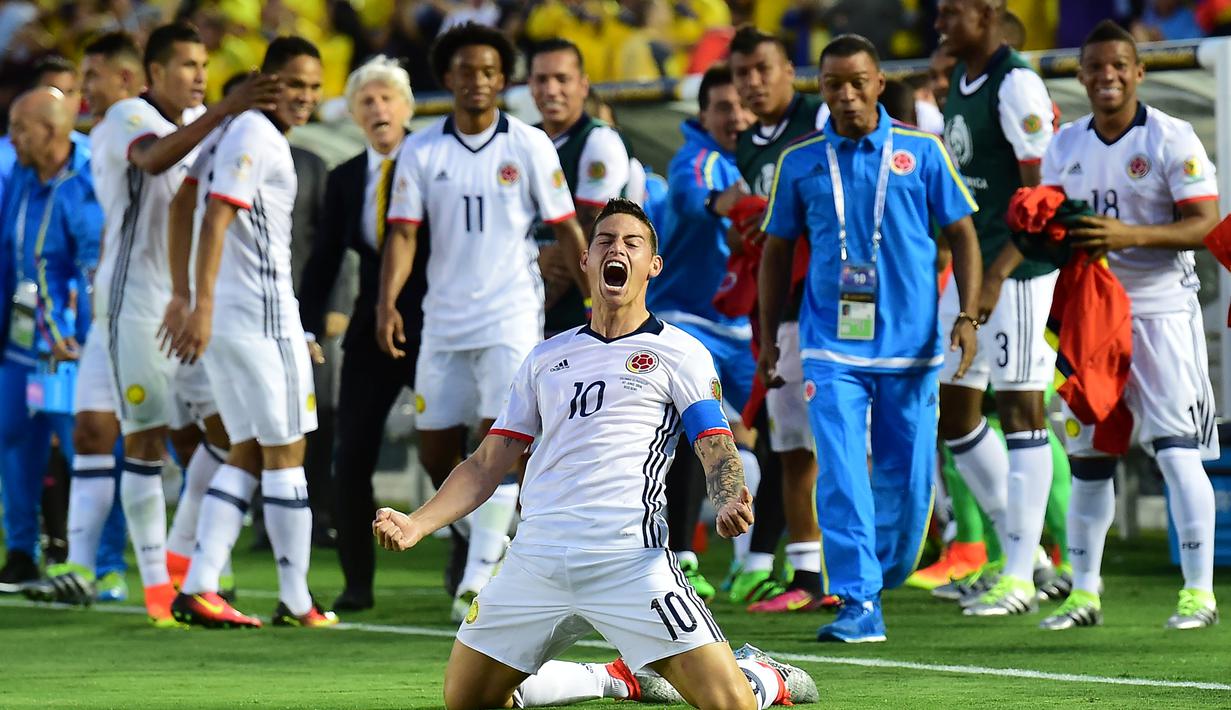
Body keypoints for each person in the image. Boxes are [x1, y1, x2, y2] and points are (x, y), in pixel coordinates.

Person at [374, 197, 784, 710]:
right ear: (585, 260)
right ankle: (614, 677)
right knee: (467, 701)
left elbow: (715, 446)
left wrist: (726, 499)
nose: (618, 249)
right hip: (535, 561)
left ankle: (762, 678)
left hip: (630, 562)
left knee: (731, 705)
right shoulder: (546, 356)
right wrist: (417, 524)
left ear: (653, 266)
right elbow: (486, 464)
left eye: (632, 243)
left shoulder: (680, 352)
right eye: (605, 241)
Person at [758, 34, 982, 643]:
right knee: (840, 472)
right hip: (830, 347)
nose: (847, 94)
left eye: (859, 82)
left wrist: (968, 315)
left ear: (880, 84)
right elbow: (776, 250)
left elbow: (963, 233)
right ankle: (859, 599)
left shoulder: (922, 151)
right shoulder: (799, 161)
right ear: (822, 89)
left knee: (908, 485)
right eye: (834, 84)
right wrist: (768, 332)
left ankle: (883, 572)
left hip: (911, 348)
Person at [375, 23, 589, 622]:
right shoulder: (421, 150)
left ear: (503, 79)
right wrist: (386, 301)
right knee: (435, 443)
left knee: (505, 441)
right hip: (442, 320)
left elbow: (567, 228)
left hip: (509, 315)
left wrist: (598, 298)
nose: (479, 81)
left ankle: (476, 579)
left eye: (490, 72)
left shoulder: (528, 144)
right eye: (467, 71)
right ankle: (474, 534)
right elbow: (403, 234)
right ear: (447, 77)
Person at [85, 23, 276, 625]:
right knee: (144, 438)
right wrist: (228, 108)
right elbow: (153, 159)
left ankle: (178, 556)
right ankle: (155, 592)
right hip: (136, 300)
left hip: (191, 302)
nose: (199, 74)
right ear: (153, 74)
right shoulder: (127, 117)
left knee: (230, 432)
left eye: (204, 64)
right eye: (187, 65)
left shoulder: (208, 129)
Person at [1037, 21, 1220, 631]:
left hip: (1162, 310)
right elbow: (1051, 226)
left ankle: (1199, 595)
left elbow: (1205, 224)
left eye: (1119, 65)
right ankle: (1084, 594)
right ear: (1081, 74)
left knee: (1175, 451)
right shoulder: (1064, 145)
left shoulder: (1173, 136)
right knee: (1089, 457)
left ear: (1139, 72)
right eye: (1095, 67)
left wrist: (1127, 236)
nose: (1107, 76)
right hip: (1092, 317)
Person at [167, 36, 335, 629]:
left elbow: (182, 203)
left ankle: (199, 585)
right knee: (288, 451)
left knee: (246, 448)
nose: (306, 97)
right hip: (260, 318)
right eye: (294, 84)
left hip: (233, 321)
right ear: (266, 81)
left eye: (314, 87)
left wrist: (188, 296)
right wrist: (200, 304)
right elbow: (215, 215)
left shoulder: (224, 131)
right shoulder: (257, 136)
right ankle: (296, 600)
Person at [934, 0, 1060, 616]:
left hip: (1020, 270)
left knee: (1019, 406)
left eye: (952, 12)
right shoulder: (960, 82)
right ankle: (1028, 554)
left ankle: (1016, 576)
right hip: (972, 269)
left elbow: (1046, 195)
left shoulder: (1017, 83)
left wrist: (999, 274)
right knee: (953, 410)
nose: (940, 23)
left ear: (987, 13)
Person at [298, 54, 427, 612]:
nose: (378, 108)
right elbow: (325, 259)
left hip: (436, 325)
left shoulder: (437, 159)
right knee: (351, 455)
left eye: (387, 98)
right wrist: (305, 324)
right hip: (368, 331)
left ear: (407, 107)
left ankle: (469, 566)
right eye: (367, 101)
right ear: (352, 113)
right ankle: (356, 581)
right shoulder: (347, 176)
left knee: (454, 450)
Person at [647, 62, 767, 603]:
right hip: (688, 321)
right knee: (694, 434)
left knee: (782, 438)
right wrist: (739, 206)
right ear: (703, 114)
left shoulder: (765, 155)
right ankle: (680, 556)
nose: (736, 116)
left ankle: (756, 563)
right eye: (724, 107)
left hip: (745, 326)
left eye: (743, 105)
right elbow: (694, 197)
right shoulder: (694, 158)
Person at [724, 24, 827, 610]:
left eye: (764, 69)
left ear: (791, 68)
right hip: (782, 311)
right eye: (743, 73)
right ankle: (808, 578)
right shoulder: (750, 143)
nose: (754, 82)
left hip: (834, 306)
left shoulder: (819, 119)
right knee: (791, 444)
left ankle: (860, 565)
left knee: (840, 443)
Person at [0, 89, 102, 593]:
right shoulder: (18, 171)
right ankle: (21, 552)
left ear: (52, 130)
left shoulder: (86, 176)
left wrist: (83, 338)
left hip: (70, 350)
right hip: (22, 344)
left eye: (20, 128)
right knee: (16, 440)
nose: (12, 137)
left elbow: (88, 267)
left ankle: (101, 565)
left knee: (90, 447)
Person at [528, 38, 632, 336]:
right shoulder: (523, 141)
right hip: (526, 300)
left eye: (562, 79)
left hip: (578, 312)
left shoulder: (599, 141)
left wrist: (542, 299)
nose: (551, 90)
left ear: (583, 85)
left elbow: (589, 231)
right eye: (541, 79)